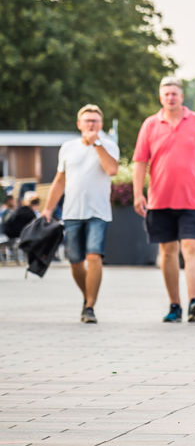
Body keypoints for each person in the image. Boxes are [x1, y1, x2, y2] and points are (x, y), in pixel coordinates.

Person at [133, 77, 195, 323]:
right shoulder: (150, 125)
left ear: (182, 97)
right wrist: (137, 193)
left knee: (193, 247)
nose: (170, 97)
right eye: (166, 94)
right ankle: (175, 305)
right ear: (160, 97)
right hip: (159, 199)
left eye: (174, 93)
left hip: (194, 199)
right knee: (168, 251)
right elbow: (140, 161)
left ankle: (194, 301)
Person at [41, 105, 119, 323]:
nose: (91, 124)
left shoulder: (109, 146)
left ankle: (90, 306)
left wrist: (97, 144)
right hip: (72, 212)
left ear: (101, 124)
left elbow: (112, 170)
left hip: (99, 213)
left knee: (94, 256)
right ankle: (87, 297)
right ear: (79, 124)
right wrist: (48, 208)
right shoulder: (68, 148)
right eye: (87, 121)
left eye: (95, 121)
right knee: (75, 262)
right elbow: (59, 180)